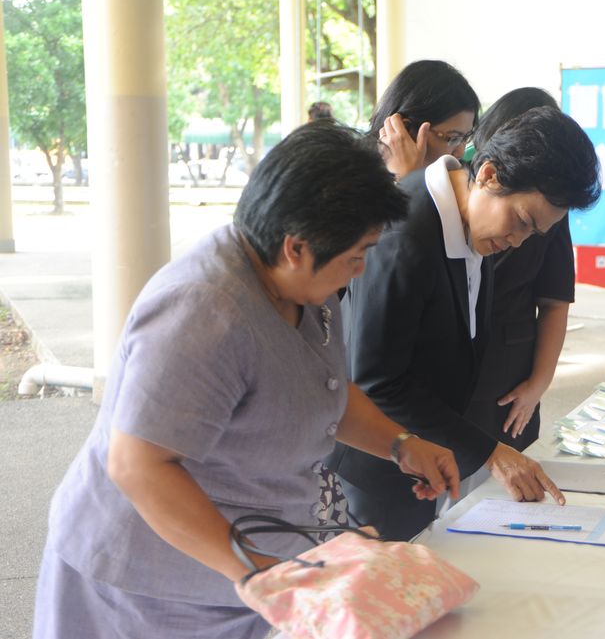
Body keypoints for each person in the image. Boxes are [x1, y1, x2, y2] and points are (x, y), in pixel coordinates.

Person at [32, 122, 461, 639]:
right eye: (356, 256)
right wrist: (261, 572)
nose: (360, 270)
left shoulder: (301, 285)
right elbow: (138, 464)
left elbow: (321, 388)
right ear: (296, 247)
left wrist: (400, 444)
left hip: (251, 567)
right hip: (146, 581)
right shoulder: (203, 311)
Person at [327, 106, 601, 541]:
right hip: (376, 466)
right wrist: (491, 453)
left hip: (423, 455)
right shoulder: (406, 234)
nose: (518, 241)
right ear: (489, 174)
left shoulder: (474, 223)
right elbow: (377, 379)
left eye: (533, 234)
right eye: (522, 222)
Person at [463, 87, 574, 450]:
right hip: (447, 374)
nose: (518, 236)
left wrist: (538, 384)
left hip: (507, 378)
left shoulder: (547, 210)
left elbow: (555, 302)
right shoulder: (456, 186)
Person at [370, 59, 480, 176]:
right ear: (405, 130)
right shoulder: (360, 177)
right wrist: (407, 176)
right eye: (454, 138)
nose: (460, 153)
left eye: (466, 138)